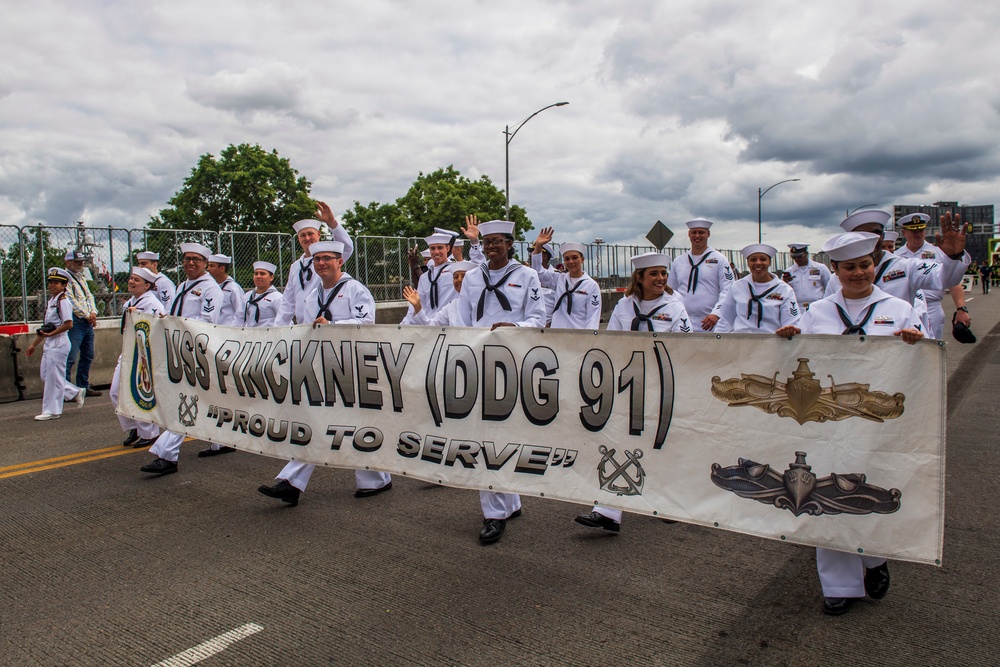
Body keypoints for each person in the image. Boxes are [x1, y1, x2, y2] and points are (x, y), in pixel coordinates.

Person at [776, 231, 925, 616]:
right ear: (836, 271)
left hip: (877, 422)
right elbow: (795, 361)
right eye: (850, 268)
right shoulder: (818, 312)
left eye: (865, 265)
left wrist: (916, 341)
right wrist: (788, 338)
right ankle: (839, 584)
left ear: (873, 265)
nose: (859, 273)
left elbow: (926, 359)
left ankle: (874, 558)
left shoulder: (900, 308)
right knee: (824, 492)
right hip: (828, 420)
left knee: (866, 488)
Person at [258, 241, 390, 506]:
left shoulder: (355, 289)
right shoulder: (312, 295)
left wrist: (334, 325)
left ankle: (376, 479)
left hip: (352, 366)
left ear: (340, 261)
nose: (320, 264)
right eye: (317, 259)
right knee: (318, 421)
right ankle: (292, 483)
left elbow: (367, 323)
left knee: (357, 422)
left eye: (327, 258)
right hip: (322, 367)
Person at [575, 252, 691, 533]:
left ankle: (667, 502)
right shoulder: (624, 307)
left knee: (661, 444)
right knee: (618, 441)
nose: (661, 279)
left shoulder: (675, 307)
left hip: (662, 382)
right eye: (653, 274)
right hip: (628, 382)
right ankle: (607, 510)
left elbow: (688, 345)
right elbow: (612, 342)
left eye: (663, 273)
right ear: (639, 277)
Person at [455, 219, 546, 544]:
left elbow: (538, 318)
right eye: (487, 241)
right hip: (480, 361)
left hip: (512, 361)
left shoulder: (527, 276)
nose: (492, 246)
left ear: (509, 244)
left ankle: (510, 499)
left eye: (498, 241)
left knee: (509, 432)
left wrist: (514, 326)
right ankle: (495, 512)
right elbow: (464, 319)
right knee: (484, 434)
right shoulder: (472, 277)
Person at [140, 242, 224, 476]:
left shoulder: (210, 289)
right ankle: (219, 440)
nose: (190, 263)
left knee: (187, 401)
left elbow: (209, 321)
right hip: (177, 348)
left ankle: (167, 454)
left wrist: (179, 326)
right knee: (201, 399)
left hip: (196, 350)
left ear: (205, 263)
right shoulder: (182, 286)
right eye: (187, 258)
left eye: (196, 259)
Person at [824, 210, 970, 334]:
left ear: (882, 235)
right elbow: (826, 314)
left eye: (876, 233)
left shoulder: (905, 266)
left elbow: (945, 279)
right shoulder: (836, 279)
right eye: (864, 234)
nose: (872, 239)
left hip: (896, 345)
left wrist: (953, 257)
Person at [110, 267, 166, 447]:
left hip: (144, 354)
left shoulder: (152, 304)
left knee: (142, 393)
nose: (131, 282)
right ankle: (133, 426)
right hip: (128, 351)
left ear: (147, 285)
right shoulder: (130, 303)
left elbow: (158, 328)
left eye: (136, 280)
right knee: (116, 391)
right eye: (131, 278)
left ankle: (149, 433)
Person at [274, 202, 354, 326]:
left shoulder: (328, 260)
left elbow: (347, 247)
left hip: (325, 323)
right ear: (298, 239)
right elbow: (288, 302)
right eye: (302, 235)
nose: (307, 238)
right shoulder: (295, 267)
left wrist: (332, 223)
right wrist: (277, 330)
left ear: (318, 235)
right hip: (303, 325)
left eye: (310, 234)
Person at [894, 213, 970, 339]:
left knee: (932, 348)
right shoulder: (896, 256)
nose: (918, 234)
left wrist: (961, 309)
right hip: (905, 308)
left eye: (921, 230)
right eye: (913, 231)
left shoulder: (940, 252)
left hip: (932, 307)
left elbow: (954, 283)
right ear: (904, 232)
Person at [25, 268, 86, 420]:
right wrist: (34, 344)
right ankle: (74, 392)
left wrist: (50, 335)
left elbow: (68, 324)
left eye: (56, 283)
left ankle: (52, 411)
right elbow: (47, 326)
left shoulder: (63, 301)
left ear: (64, 285)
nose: (52, 285)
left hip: (59, 343)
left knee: (53, 377)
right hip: (50, 342)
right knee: (46, 375)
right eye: (51, 282)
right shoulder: (52, 301)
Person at [708, 244, 800, 334]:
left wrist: (788, 331)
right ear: (748, 262)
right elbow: (725, 320)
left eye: (763, 259)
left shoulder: (784, 290)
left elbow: (791, 323)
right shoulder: (737, 287)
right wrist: (717, 342)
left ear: (770, 262)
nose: (758, 263)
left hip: (771, 343)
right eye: (753, 259)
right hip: (741, 343)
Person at [666, 218, 735, 332]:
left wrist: (717, 313)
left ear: (708, 234)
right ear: (689, 234)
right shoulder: (678, 261)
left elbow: (728, 289)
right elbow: (671, 291)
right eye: (694, 232)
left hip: (711, 322)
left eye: (701, 232)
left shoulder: (719, 260)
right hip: (683, 321)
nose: (697, 236)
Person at [530, 228, 602, 330]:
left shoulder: (591, 285)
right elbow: (538, 272)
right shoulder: (559, 279)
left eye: (574, 257)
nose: (571, 262)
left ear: (582, 260)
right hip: (557, 335)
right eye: (567, 259)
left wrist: (589, 339)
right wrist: (538, 246)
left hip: (578, 337)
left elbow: (593, 317)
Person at [63, 250, 101, 397]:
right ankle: (66, 389)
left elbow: (88, 296)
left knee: (88, 354)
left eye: (81, 262)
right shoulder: (65, 278)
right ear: (68, 262)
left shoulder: (81, 277)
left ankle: (82, 385)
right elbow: (71, 301)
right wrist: (87, 315)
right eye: (77, 262)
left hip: (86, 321)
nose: (80, 265)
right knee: (71, 356)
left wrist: (93, 312)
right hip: (76, 320)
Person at [401, 261, 477, 326]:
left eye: (464, 276)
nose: (459, 279)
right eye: (456, 277)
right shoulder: (452, 306)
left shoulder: (483, 302)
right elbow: (432, 326)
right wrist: (417, 306)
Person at [783, 244, 831, 309]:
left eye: (799, 256)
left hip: (818, 306)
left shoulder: (820, 268)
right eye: (794, 257)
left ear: (806, 253)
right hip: (797, 308)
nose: (796, 259)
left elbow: (830, 287)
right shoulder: (789, 272)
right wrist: (785, 282)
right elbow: (783, 291)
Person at [241, 261, 284, 327]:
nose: (258, 276)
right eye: (256, 274)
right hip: (249, 335)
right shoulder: (247, 296)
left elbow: (285, 321)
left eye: (262, 274)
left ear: (271, 277)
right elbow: (240, 318)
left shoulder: (278, 298)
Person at [207, 254, 246, 327]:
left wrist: (233, 329)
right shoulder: (211, 287)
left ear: (222, 268)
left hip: (227, 330)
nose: (208, 269)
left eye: (212, 266)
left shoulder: (233, 288)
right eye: (208, 265)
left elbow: (240, 311)